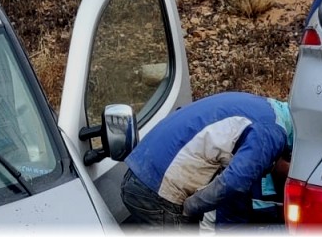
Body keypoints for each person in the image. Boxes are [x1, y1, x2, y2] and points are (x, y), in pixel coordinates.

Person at [120, 92, 293, 228]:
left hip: (141, 173)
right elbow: (233, 183)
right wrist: (191, 207)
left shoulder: (265, 108)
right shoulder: (272, 132)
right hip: (157, 192)